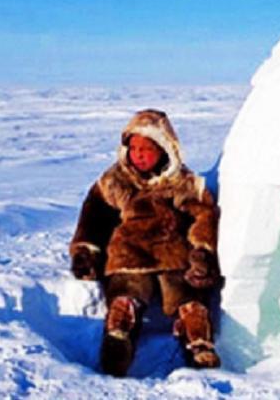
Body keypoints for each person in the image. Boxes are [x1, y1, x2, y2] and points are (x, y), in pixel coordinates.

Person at [69, 109, 222, 376]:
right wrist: (86, 251)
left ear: (165, 149)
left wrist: (201, 250)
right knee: (125, 294)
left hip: (173, 254)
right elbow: (94, 217)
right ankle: (118, 337)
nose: (138, 154)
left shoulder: (181, 182)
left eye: (147, 148)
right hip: (129, 254)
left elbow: (203, 214)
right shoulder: (115, 181)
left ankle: (198, 342)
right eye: (134, 147)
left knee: (188, 297)